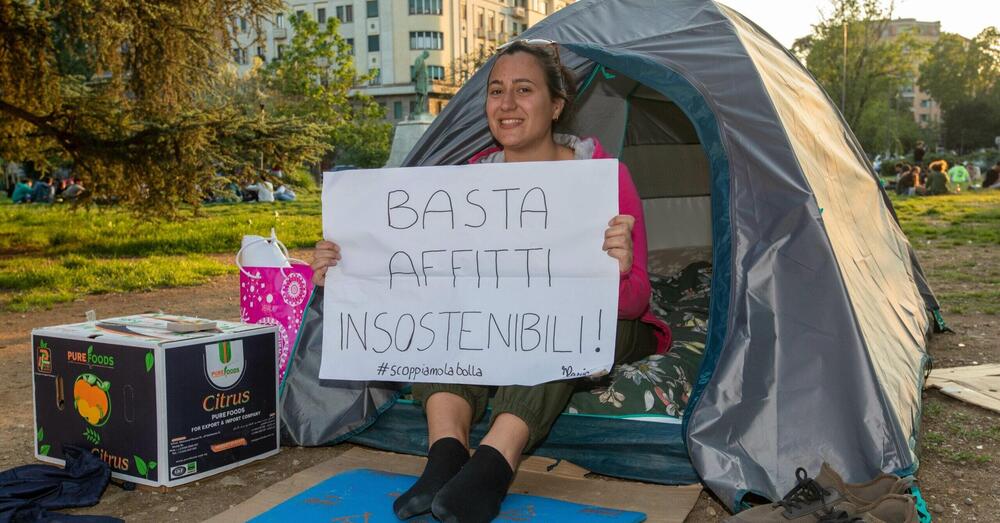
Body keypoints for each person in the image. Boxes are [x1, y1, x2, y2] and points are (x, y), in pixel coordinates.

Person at [311, 40, 672, 523]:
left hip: (615, 323)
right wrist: (349, 265)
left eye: (524, 90)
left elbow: (634, 302)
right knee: (444, 323)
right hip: (501, 319)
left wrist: (619, 270)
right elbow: (435, 281)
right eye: (496, 90)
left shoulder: (601, 178)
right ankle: (446, 455)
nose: (506, 104)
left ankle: (495, 461)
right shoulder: (467, 185)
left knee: (558, 321)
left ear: (557, 105)